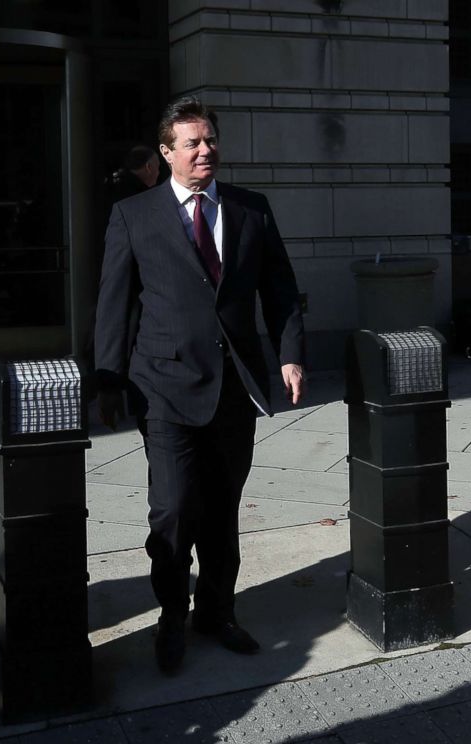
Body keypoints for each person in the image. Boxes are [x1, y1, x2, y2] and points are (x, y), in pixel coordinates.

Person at [94, 96, 306, 674]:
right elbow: (113, 304)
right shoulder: (134, 215)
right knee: (174, 508)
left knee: (221, 509)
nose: (205, 150)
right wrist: (107, 382)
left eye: (210, 140)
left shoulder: (250, 210)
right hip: (161, 385)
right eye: (192, 142)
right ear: (166, 153)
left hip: (233, 387)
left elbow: (281, 289)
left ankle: (216, 612)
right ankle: (171, 616)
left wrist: (289, 355)